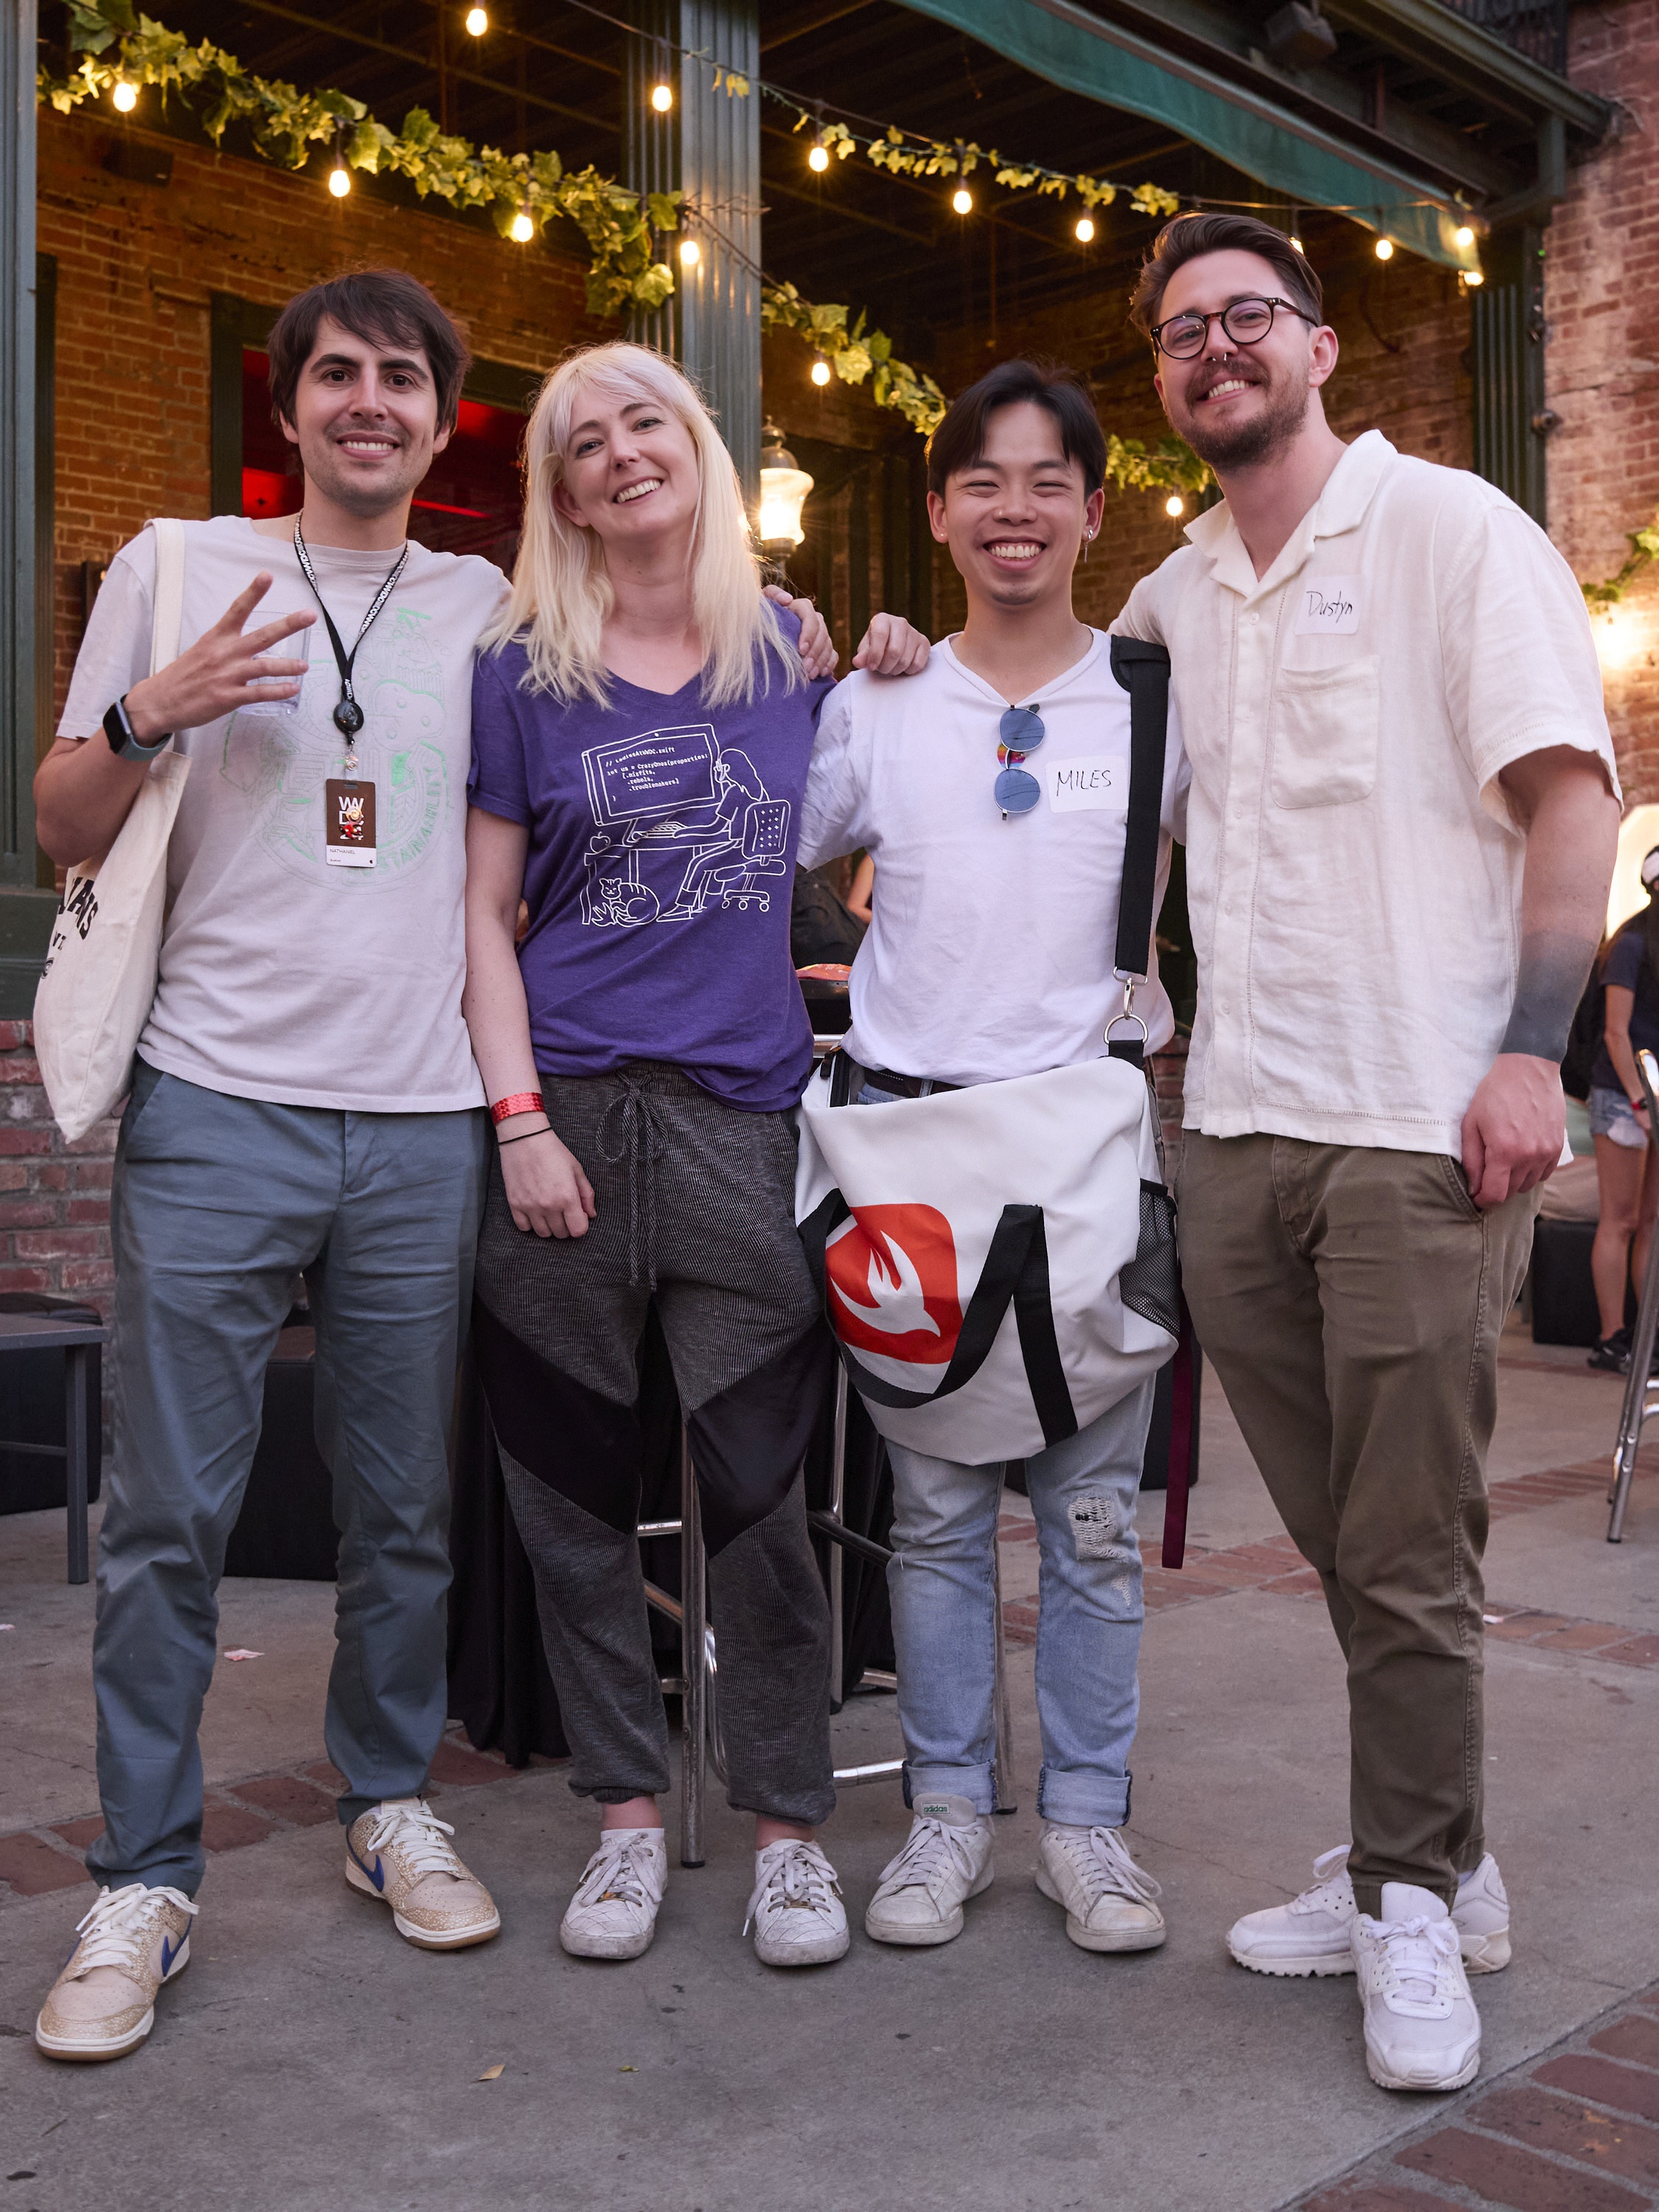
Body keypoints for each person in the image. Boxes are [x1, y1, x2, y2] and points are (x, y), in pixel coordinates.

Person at [28, 271, 841, 2064]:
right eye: (338, 374)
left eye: (406, 376)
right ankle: (145, 1875)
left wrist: (863, 640)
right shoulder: (170, 568)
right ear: (289, 404)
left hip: (418, 1123)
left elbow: (675, 639)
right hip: (212, 1099)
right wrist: (148, 711)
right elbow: (60, 823)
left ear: (445, 420)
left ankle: (385, 1801)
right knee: (169, 1513)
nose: (371, 401)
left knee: (405, 1509)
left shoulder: (492, 604)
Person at [1113, 212, 1619, 2094]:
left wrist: (1526, 1050)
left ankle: (1408, 1895)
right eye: (1181, 333)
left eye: (1247, 318)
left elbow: (1567, 797)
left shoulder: (1449, 533)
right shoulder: (1166, 597)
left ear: (1320, 348)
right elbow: (1061, 760)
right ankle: (1446, 1856)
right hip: (1236, 1123)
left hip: (1419, 1117)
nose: (1213, 350)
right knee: (1343, 1537)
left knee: (1405, 1544)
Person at [462, 340, 926, 1969]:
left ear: (696, 449)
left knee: (759, 1501)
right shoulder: (522, 672)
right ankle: (625, 1817)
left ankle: (790, 1829)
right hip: (567, 1121)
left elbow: (901, 792)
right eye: (582, 443)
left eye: (643, 421)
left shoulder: (792, 654)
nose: (617, 454)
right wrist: (517, 1120)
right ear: (564, 495)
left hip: (742, 1123)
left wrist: (898, 655)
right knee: (572, 1495)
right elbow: (483, 920)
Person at [799, 358, 1186, 1958]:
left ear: (1095, 508)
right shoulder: (878, 701)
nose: (1014, 508)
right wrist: (800, 642)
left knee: (1093, 1527)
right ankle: (949, 1810)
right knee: (940, 1517)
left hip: (1091, 1138)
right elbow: (769, 847)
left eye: (1048, 481)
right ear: (942, 511)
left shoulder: (1159, 696)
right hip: (913, 1146)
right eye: (983, 481)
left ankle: (1087, 1826)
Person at [1585, 848, 1659, 1371]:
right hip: (1623, 1095)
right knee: (1621, 1219)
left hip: (1652, 1097)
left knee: (1651, 1219)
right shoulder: (1631, 944)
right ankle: (1613, 1337)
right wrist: (1638, 1101)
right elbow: (1616, 1032)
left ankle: (1649, 1335)